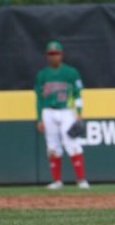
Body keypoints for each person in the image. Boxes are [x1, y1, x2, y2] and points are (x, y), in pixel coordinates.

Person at [34, 41, 90, 190]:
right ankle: (57, 181)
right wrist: (39, 118)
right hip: (48, 111)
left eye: (56, 53)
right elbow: (39, 99)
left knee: (72, 142)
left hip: (67, 111)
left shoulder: (71, 73)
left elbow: (78, 94)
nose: (54, 56)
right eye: (51, 54)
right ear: (47, 56)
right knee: (52, 146)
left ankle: (81, 179)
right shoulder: (42, 75)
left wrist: (79, 112)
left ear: (62, 55)